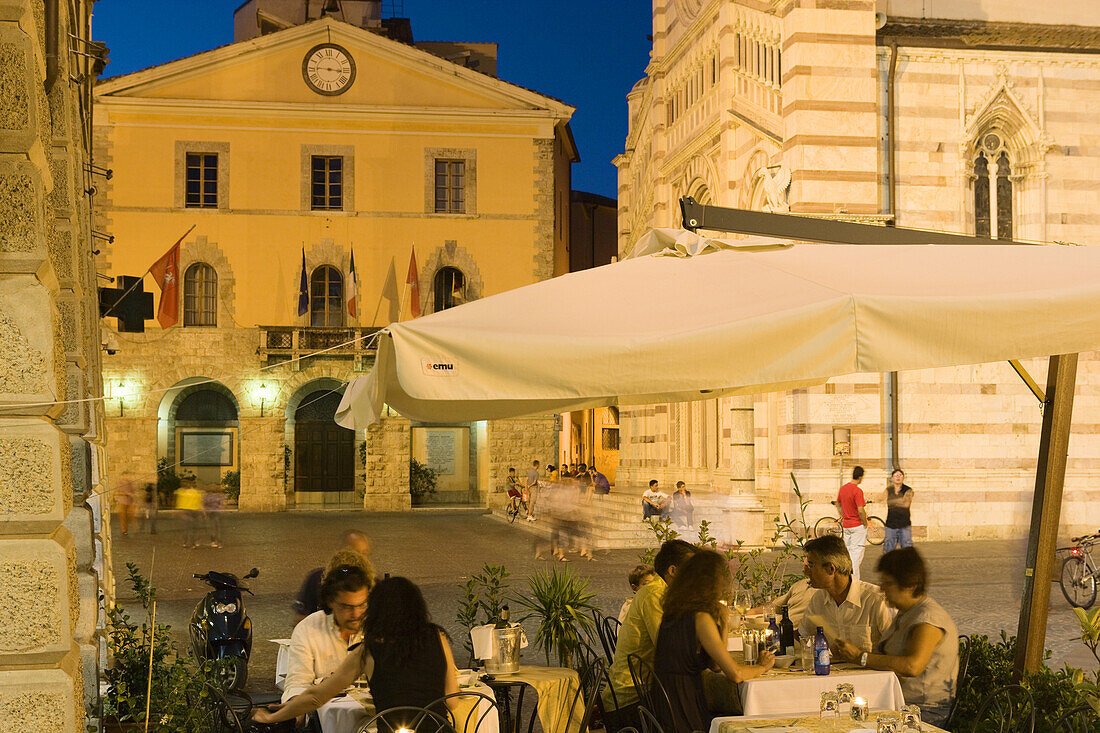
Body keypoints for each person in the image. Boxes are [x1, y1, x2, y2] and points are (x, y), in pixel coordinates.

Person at [255, 576, 460, 726]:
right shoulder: (437, 636)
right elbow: (451, 701)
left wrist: (271, 717)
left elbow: (317, 697)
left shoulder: (368, 650)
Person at [831, 548, 958, 726]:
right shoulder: (906, 613)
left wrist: (861, 657)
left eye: (888, 583)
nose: (882, 589)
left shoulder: (927, 619)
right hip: (893, 700)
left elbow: (912, 666)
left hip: (922, 711)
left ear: (910, 585)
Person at [656, 550, 775, 732]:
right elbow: (735, 674)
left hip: (666, 701)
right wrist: (762, 667)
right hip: (683, 707)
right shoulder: (700, 618)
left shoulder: (674, 612)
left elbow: (715, 665)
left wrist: (723, 621)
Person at [604, 540, 699, 724]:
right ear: (673, 571)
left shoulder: (664, 592)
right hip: (632, 699)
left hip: (646, 689)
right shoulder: (655, 595)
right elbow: (671, 650)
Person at [282, 555, 376, 703]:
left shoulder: (382, 626)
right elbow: (297, 682)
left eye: (362, 605)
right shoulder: (307, 629)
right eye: (347, 607)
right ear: (330, 601)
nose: (356, 614)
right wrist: (294, 707)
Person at [798, 534, 893, 652]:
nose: (806, 572)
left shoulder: (876, 600)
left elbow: (899, 653)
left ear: (830, 569)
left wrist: (860, 658)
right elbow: (804, 637)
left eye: (811, 565)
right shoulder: (818, 600)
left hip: (871, 670)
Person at [294, 529, 373, 621]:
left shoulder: (375, 584)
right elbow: (299, 618)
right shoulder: (316, 579)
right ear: (339, 552)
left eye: (364, 553)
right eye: (353, 553)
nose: (359, 558)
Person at [837, 465, 870, 580]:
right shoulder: (857, 491)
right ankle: (854, 581)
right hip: (857, 526)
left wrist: (844, 515)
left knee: (848, 553)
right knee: (856, 555)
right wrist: (865, 523)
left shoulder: (843, 489)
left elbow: (838, 504)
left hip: (846, 525)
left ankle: (845, 578)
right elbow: (860, 510)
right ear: (860, 477)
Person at [884, 468, 914, 552]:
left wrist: (892, 501)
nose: (898, 477)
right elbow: (880, 498)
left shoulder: (908, 490)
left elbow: (906, 504)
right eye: (896, 475)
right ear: (892, 478)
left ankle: (907, 565)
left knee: (907, 548)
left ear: (903, 478)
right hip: (890, 524)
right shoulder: (888, 490)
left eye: (900, 475)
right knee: (888, 548)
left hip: (904, 524)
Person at [174, 477, 204, 549]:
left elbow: (199, 502)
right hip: (188, 511)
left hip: (192, 511)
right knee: (190, 527)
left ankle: (186, 542)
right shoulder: (183, 491)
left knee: (189, 528)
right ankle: (191, 543)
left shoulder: (186, 492)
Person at [203, 483, 225, 548]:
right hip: (211, 512)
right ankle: (215, 541)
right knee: (214, 527)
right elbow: (205, 504)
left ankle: (217, 541)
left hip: (215, 512)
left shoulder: (215, 495)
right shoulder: (209, 496)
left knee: (215, 527)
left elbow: (221, 503)